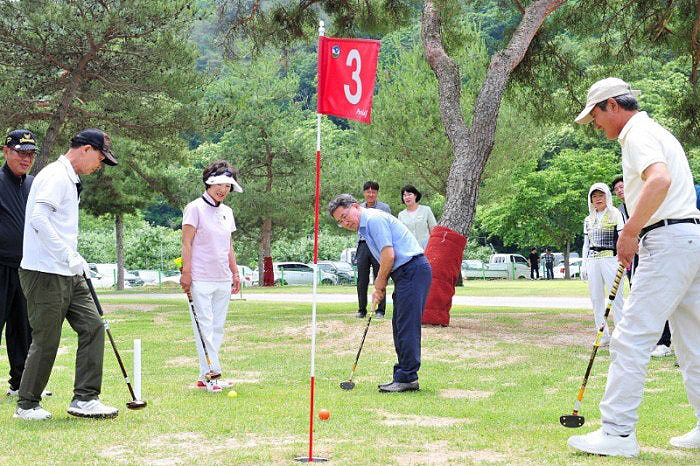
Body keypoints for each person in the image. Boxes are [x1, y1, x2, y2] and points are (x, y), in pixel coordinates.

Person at [568, 77, 700, 456]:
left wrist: (629, 231)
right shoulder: (656, 130)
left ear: (612, 105)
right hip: (689, 239)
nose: (595, 125)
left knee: (630, 337)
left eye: (595, 116)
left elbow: (659, 180)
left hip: (669, 241)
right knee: (692, 343)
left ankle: (618, 432)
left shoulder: (636, 133)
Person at [15, 129, 119, 421]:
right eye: (99, 157)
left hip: (67, 271)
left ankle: (85, 399)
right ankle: (27, 405)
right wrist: (67, 255)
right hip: (44, 272)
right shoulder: (55, 176)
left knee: (93, 326)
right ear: (86, 149)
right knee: (47, 338)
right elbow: (38, 219)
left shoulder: (70, 179)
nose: (99, 165)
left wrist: (74, 257)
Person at [329, 194, 432, 392]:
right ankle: (404, 375)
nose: (345, 222)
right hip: (405, 273)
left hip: (413, 270)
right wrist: (381, 284)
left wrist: (379, 283)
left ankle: (407, 377)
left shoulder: (374, 220)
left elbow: (388, 254)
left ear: (355, 207)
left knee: (406, 326)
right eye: (340, 221)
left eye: (344, 215)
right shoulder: (365, 227)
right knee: (400, 325)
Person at [180, 161, 242, 393]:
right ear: (208, 182)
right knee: (203, 327)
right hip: (200, 278)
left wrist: (235, 272)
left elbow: (228, 246)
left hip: (222, 278)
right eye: (219, 184)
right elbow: (186, 243)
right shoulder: (194, 208)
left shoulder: (227, 212)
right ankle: (211, 376)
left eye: (228, 185)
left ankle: (205, 374)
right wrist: (186, 273)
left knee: (217, 328)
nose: (223, 189)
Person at [612, 175, 672, 357]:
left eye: (622, 186)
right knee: (641, 298)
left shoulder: (642, 199)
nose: (620, 190)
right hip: (635, 256)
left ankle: (664, 341)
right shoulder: (621, 209)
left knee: (662, 295)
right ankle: (652, 341)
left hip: (655, 249)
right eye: (617, 189)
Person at [0, 130, 36, 397]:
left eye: (30, 154)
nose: (26, 159)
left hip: (25, 268)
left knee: (23, 328)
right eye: (21, 153)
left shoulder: (34, 184)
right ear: (6, 151)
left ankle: (20, 383)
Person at [581, 183, 625, 346]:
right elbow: (586, 244)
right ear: (590, 199)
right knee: (596, 298)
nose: (598, 199)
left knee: (617, 298)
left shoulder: (616, 214)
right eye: (594, 196)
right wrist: (584, 265)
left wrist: (622, 260)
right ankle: (603, 335)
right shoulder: (588, 219)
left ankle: (620, 335)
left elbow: (622, 238)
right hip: (593, 260)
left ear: (607, 196)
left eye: (601, 196)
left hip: (611, 259)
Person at [355, 181, 391, 319]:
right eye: (368, 192)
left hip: (378, 245)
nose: (370, 194)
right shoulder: (358, 208)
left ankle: (380, 310)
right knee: (362, 279)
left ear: (377, 193)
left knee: (380, 276)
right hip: (363, 244)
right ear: (364, 193)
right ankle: (361, 309)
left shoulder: (384, 208)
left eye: (373, 192)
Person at [397, 184, 437, 248]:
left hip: (427, 249)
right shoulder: (401, 215)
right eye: (404, 195)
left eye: (409, 194)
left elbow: (434, 230)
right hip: (409, 250)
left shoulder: (426, 210)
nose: (407, 197)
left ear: (415, 195)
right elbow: (400, 235)